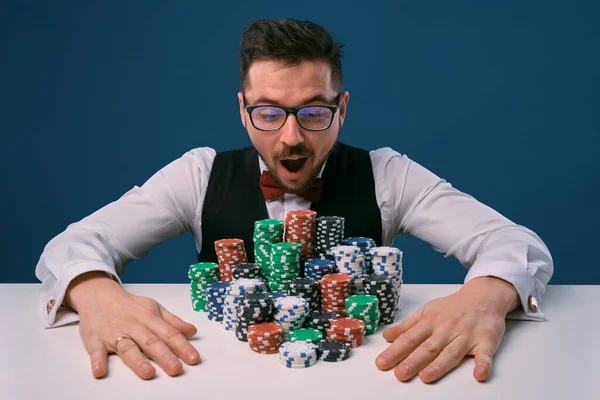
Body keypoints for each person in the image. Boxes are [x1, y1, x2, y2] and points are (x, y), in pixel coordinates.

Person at [35, 19, 553, 383]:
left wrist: (486, 294)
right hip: (213, 380)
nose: (290, 140)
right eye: (268, 113)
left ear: (342, 108)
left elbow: (512, 241)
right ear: (242, 110)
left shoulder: (388, 175)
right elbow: (75, 243)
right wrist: (94, 290)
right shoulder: (197, 175)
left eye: (312, 113)